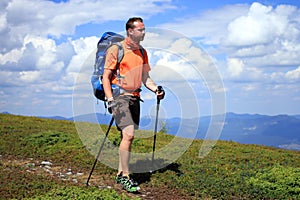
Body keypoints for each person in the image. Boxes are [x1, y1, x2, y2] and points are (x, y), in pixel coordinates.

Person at [102, 17, 165, 192]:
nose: (144, 33)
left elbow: (145, 78)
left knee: (127, 137)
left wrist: (155, 89)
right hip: (119, 98)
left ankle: (120, 172)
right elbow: (105, 77)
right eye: (140, 30)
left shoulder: (143, 52)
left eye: (144, 29)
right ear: (130, 31)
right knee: (128, 135)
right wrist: (110, 100)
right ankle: (125, 177)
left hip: (135, 98)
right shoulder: (116, 49)